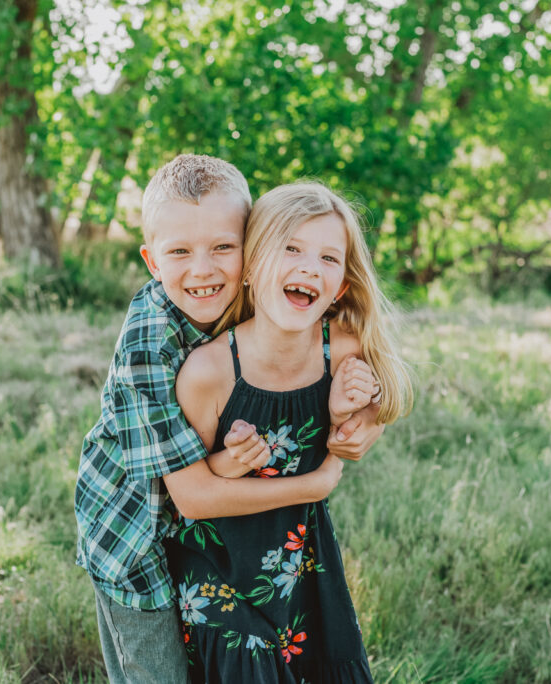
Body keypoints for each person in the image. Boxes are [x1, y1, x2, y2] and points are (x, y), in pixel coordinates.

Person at [74, 156, 385, 684]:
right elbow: (191, 496)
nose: (204, 270)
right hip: (135, 538)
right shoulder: (149, 347)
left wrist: (364, 417)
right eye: (180, 252)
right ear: (152, 261)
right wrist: (316, 482)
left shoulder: (264, 297)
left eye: (223, 246)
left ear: (253, 248)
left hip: (219, 538)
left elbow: (359, 355)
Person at [165, 182, 414, 683]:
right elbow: (192, 498)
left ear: (341, 285)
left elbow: (375, 412)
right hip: (219, 569)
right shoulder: (209, 373)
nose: (309, 267)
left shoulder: (338, 349)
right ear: (252, 267)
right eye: (292, 248)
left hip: (301, 560)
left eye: (328, 258)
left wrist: (354, 418)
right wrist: (317, 479)